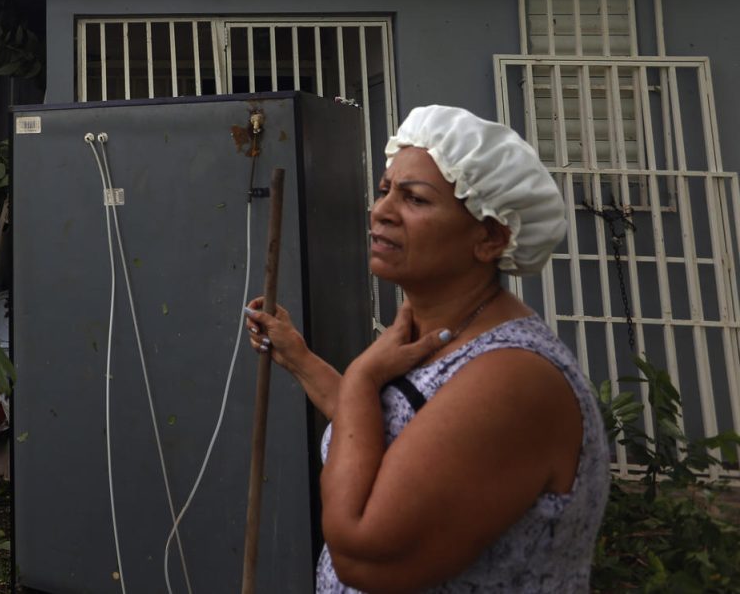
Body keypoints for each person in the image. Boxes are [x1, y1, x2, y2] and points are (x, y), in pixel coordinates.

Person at [244, 105, 609, 593]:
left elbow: (360, 552)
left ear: (489, 237)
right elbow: (388, 434)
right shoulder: (438, 335)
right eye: (384, 190)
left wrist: (361, 376)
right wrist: (299, 358)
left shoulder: (511, 377)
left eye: (414, 198)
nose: (380, 211)